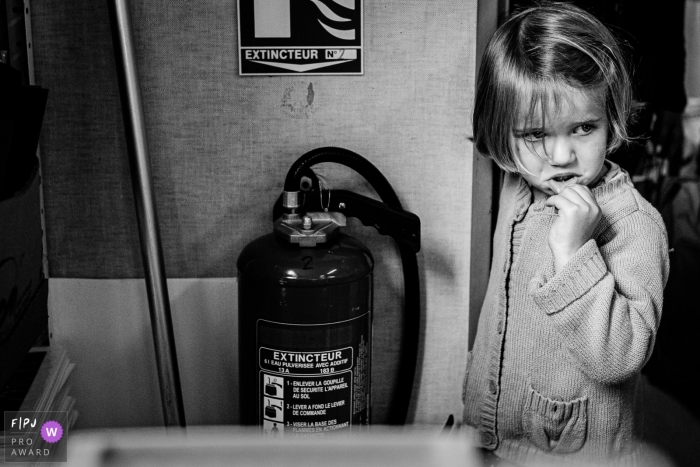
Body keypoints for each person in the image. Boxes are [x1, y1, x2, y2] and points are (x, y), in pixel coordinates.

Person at [462, 3, 670, 466]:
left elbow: (620, 356)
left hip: (576, 454)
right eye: (536, 133)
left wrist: (575, 254)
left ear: (611, 117)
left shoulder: (634, 223)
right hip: (492, 440)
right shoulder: (521, 184)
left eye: (583, 128)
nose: (560, 156)